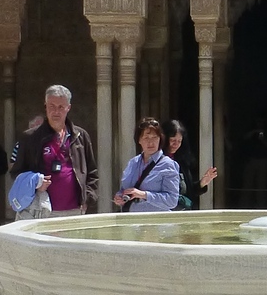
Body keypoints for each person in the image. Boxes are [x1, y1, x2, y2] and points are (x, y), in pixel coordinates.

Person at [12, 85, 97, 218]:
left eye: (61, 107)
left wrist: (88, 198)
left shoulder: (81, 136)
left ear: (68, 108)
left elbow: (92, 172)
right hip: (42, 210)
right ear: (45, 106)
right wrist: (34, 184)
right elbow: (17, 173)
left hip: (75, 211)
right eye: (52, 106)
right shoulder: (30, 138)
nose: (56, 112)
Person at [115, 118, 182, 212]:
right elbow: (124, 189)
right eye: (146, 138)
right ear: (139, 140)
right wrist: (119, 196)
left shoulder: (168, 165)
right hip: (131, 221)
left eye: (154, 137)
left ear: (160, 139)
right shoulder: (133, 163)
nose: (151, 142)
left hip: (156, 222)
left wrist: (144, 195)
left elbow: (172, 201)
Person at [164, 119, 217, 209]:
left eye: (179, 141)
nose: (176, 144)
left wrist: (202, 183)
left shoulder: (182, 162)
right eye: (172, 140)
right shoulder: (156, 160)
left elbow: (189, 193)